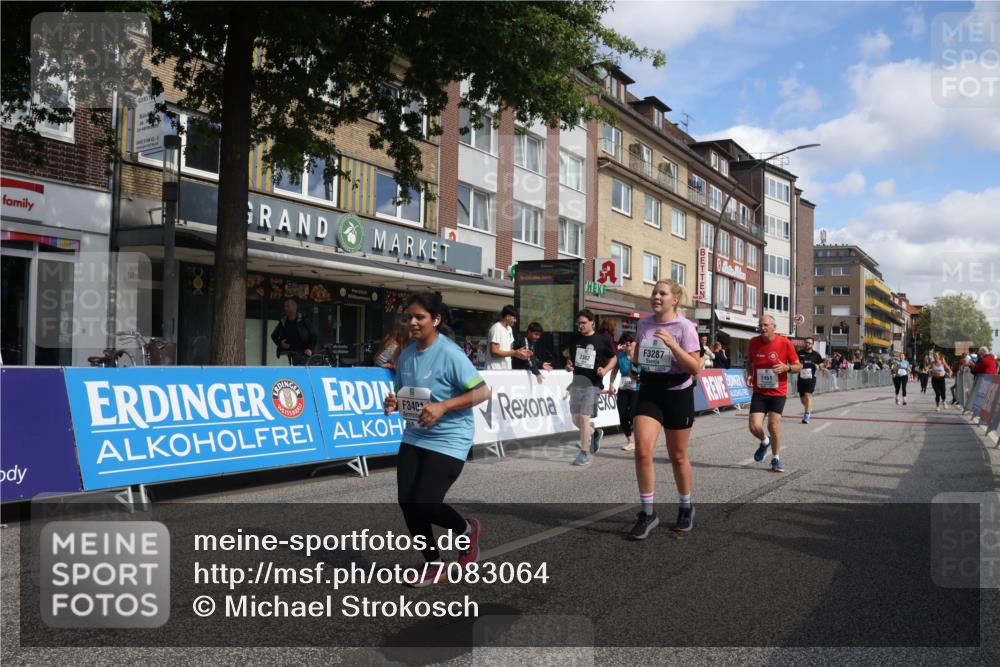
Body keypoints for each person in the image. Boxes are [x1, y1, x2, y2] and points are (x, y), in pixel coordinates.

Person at [382, 292, 491, 587]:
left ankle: (467, 531)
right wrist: (394, 403)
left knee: (426, 502)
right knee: (407, 501)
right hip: (415, 435)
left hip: (449, 438)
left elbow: (483, 391)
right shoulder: (406, 355)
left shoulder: (450, 353)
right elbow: (406, 394)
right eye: (409, 317)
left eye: (420, 317)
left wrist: (444, 406)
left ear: (436, 319)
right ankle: (433, 563)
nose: (413, 323)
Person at [627, 279, 702, 538]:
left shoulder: (685, 327)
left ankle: (685, 506)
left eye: (662, 293)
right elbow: (640, 355)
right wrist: (635, 360)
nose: (656, 296)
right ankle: (648, 513)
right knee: (642, 451)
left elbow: (694, 368)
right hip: (650, 390)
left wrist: (672, 344)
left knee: (677, 455)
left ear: (675, 300)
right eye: (654, 292)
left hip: (678, 393)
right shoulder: (644, 324)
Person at [747, 314, 802, 473]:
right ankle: (765, 442)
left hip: (777, 391)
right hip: (759, 391)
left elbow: (798, 366)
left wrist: (787, 368)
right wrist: (750, 374)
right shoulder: (753, 342)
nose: (762, 328)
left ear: (774, 327)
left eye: (766, 325)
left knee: (773, 425)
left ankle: (776, 458)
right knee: (753, 426)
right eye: (760, 325)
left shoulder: (784, 342)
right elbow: (750, 362)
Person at [566, 308, 616, 466]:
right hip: (577, 382)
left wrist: (605, 370)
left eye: (583, 323)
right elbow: (571, 360)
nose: (580, 326)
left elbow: (613, 358)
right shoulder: (575, 338)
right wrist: (569, 365)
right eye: (578, 323)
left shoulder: (602, 340)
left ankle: (584, 453)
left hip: (593, 384)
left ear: (592, 323)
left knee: (583, 417)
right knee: (576, 420)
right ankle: (594, 433)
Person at [608, 334, 639, 452]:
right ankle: (630, 441)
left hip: (637, 389)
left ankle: (639, 439)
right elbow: (614, 371)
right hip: (624, 388)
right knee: (622, 413)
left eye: (630, 341)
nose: (628, 343)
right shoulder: (620, 357)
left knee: (632, 415)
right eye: (625, 342)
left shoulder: (639, 356)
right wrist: (611, 385)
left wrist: (640, 377)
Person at [270, 299, 318, 366]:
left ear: (294, 307)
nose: (285, 308)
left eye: (287, 306)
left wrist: (310, 349)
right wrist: (280, 343)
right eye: (284, 306)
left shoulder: (304, 320)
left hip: (303, 355)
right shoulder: (283, 321)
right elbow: (274, 336)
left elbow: (314, 335)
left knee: (302, 371)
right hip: (288, 355)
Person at [486, 305, 529, 370]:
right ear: (508, 317)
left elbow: (509, 350)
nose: (515, 321)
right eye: (514, 318)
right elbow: (494, 352)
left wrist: (519, 354)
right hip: (494, 371)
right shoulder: (496, 328)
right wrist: (514, 353)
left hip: (506, 370)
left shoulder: (509, 329)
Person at [797, 337, 824, 424]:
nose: (807, 344)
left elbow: (821, 364)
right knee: (802, 398)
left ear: (812, 344)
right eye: (806, 342)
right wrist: (797, 365)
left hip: (811, 378)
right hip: (801, 378)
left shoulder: (816, 355)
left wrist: (819, 366)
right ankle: (808, 408)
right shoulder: (799, 353)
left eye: (809, 343)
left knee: (808, 395)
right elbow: (794, 362)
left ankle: (806, 415)